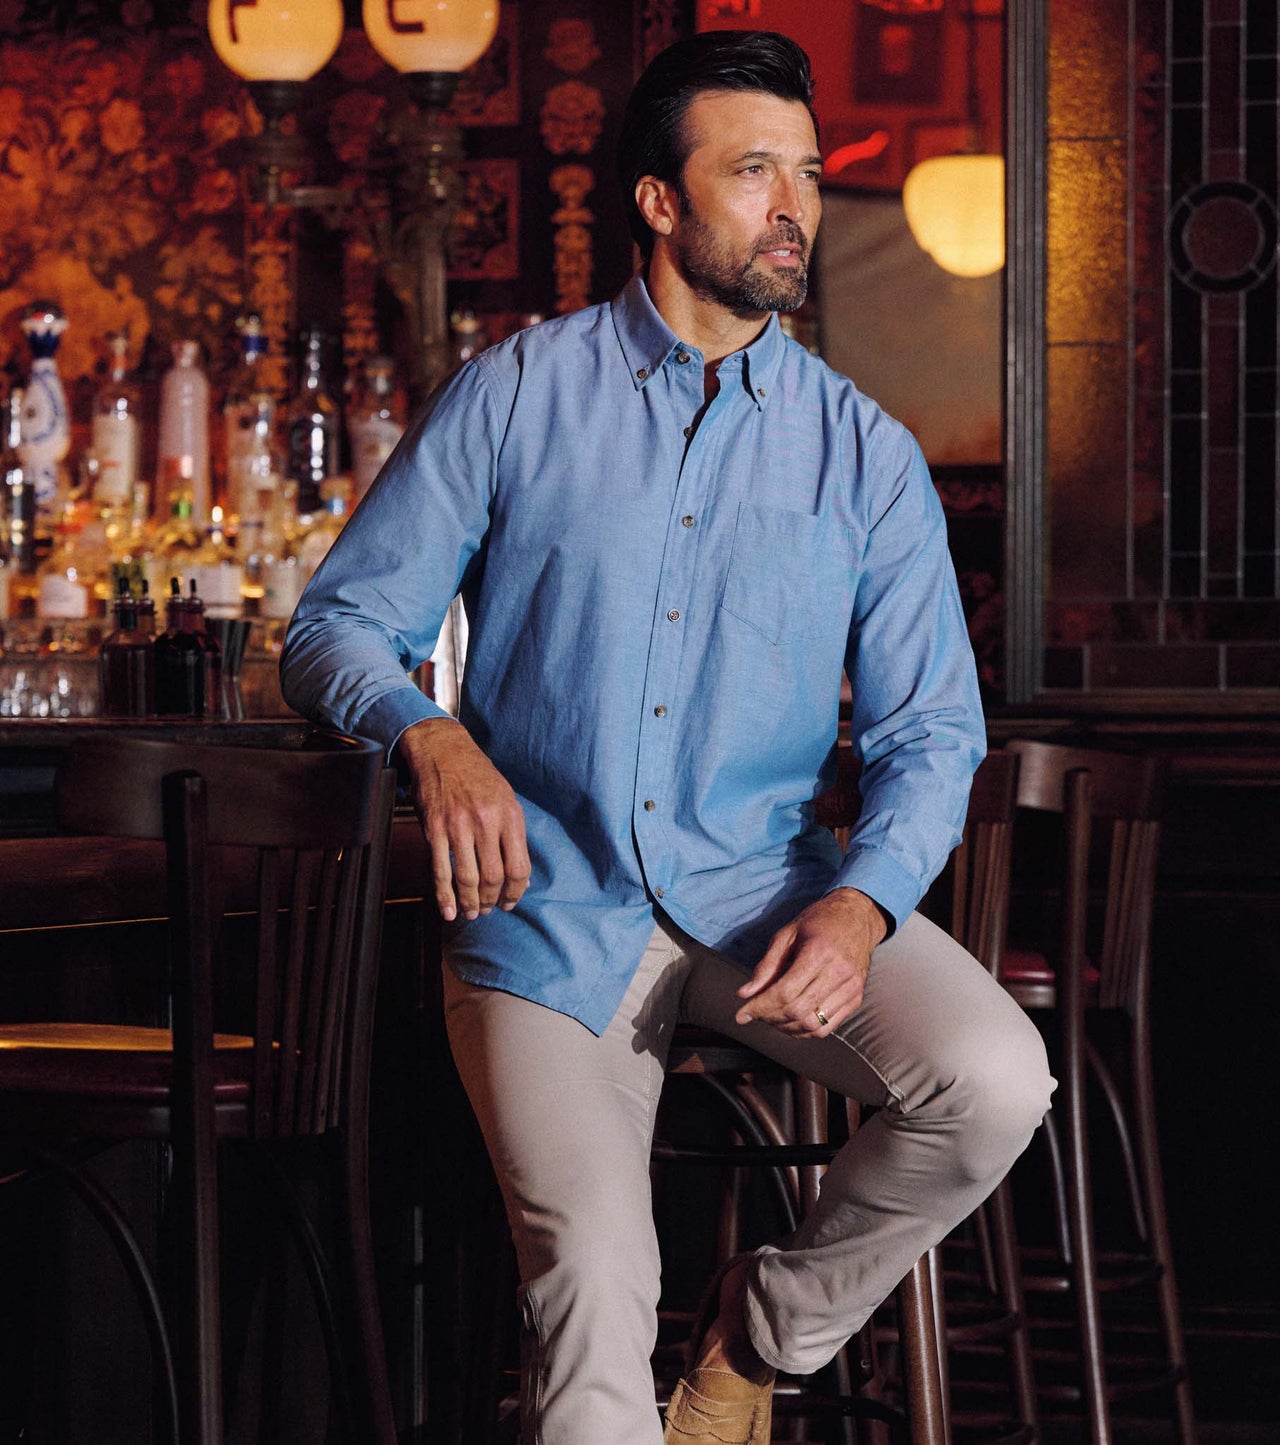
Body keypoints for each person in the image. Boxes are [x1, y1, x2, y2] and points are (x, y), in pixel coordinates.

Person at [281, 29, 1054, 1445]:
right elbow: (334, 627)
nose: (794, 207)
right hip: (548, 911)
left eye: (805, 174)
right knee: (593, 1289)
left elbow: (932, 731)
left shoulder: (864, 454)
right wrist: (430, 738)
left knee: (995, 1081)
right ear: (656, 199)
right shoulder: (519, 392)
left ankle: (761, 1335)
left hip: (767, 897)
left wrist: (861, 906)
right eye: (753, 171)